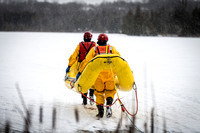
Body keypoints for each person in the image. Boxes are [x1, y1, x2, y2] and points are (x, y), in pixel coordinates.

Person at [76, 33, 120, 118]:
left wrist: (80, 72)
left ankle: (100, 112)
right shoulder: (111, 49)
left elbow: (86, 61)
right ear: (107, 41)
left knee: (99, 93)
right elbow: (119, 60)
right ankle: (109, 106)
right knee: (110, 92)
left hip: (98, 76)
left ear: (98, 41)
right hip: (109, 75)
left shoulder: (94, 50)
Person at [65, 31, 96, 105]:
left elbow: (74, 56)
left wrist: (69, 66)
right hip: (91, 66)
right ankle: (91, 95)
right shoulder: (94, 45)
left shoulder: (80, 45)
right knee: (92, 81)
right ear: (91, 38)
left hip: (82, 67)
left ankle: (84, 98)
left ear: (84, 38)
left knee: (83, 82)